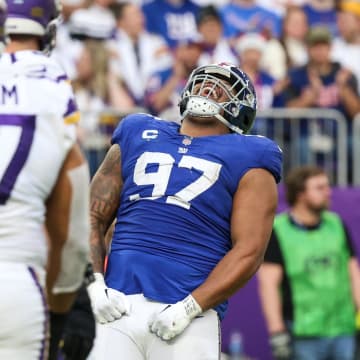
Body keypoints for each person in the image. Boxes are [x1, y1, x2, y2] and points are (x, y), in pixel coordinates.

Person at [87, 62, 282, 359]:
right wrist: (93, 283)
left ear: (241, 110)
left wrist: (191, 306)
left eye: (222, 86)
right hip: (116, 302)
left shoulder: (252, 154)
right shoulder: (139, 130)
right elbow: (91, 216)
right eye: (205, 81)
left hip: (188, 314)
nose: (209, 86)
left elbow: (249, 251)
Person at [0, 0, 90, 358]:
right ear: (50, 32)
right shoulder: (54, 96)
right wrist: (61, 317)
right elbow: (73, 242)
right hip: (13, 276)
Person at [258, 165, 360, 360]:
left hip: (343, 329)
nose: (328, 192)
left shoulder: (336, 223)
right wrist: (277, 331)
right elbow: (268, 284)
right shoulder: (278, 230)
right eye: (320, 188)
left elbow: (353, 272)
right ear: (300, 194)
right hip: (303, 333)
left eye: (327, 186)